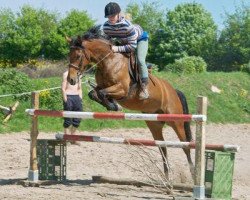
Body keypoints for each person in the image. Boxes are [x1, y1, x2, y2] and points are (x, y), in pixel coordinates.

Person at [103, 2, 149, 100]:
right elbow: (107, 42)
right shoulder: (106, 27)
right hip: (124, 40)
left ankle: (144, 87)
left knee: (140, 60)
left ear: (119, 14)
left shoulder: (128, 26)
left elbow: (132, 46)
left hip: (140, 40)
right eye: (108, 16)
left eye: (113, 15)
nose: (110, 18)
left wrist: (117, 48)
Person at [61, 70, 83, 145]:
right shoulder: (66, 74)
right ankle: (66, 139)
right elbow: (63, 88)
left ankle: (73, 138)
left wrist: (80, 98)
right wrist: (66, 100)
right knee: (68, 120)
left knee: (77, 119)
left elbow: (80, 87)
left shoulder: (78, 74)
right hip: (68, 97)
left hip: (77, 97)